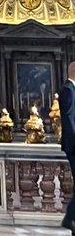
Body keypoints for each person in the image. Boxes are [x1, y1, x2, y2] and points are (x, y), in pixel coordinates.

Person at [60, 61, 75, 230]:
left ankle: (72, 220)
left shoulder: (71, 89)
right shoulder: (68, 90)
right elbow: (70, 119)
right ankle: (70, 218)